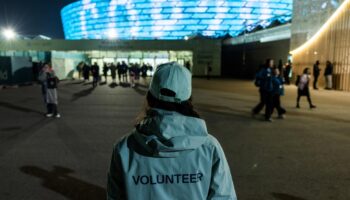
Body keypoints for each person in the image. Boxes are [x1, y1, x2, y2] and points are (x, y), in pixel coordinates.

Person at [107, 62, 237, 200]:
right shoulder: (209, 147)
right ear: (188, 99)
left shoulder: (124, 148)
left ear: (150, 97)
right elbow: (224, 197)